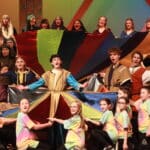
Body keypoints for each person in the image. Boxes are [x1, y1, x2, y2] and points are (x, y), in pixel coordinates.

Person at [18, 54, 87, 117]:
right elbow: (38, 83)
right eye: (54, 60)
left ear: (61, 62)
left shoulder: (66, 73)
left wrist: (80, 86)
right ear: (52, 63)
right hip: (50, 96)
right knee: (50, 114)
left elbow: (73, 83)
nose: (56, 61)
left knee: (61, 114)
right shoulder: (47, 74)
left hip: (61, 96)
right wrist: (25, 87)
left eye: (58, 59)